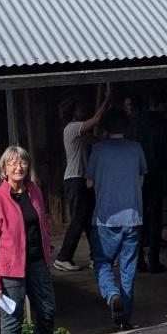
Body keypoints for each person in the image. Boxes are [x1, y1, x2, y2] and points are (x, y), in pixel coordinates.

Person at [0, 145, 57, 334]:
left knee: (47, 311)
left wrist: (48, 253)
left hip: (36, 263)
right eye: (12, 163)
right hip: (10, 270)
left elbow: (42, 224)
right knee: (12, 322)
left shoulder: (34, 192)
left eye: (22, 162)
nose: (18, 167)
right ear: (4, 169)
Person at [88, 103, 147, 330]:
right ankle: (125, 319)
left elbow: (90, 181)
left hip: (106, 216)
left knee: (102, 262)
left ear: (105, 127)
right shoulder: (136, 148)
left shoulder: (99, 150)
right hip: (133, 215)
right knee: (128, 268)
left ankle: (112, 295)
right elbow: (142, 179)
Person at [55, 88, 111, 271]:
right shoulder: (71, 128)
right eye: (79, 109)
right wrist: (107, 99)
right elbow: (95, 120)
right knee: (79, 219)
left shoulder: (79, 132)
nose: (82, 111)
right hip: (75, 179)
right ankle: (63, 257)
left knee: (89, 220)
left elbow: (96, 141)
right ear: (73, 112)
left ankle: (97, 257)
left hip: (82, 179)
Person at [127, 90, 167, 272]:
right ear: (159, 104)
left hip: (137, 175)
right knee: (155, 218)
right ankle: (154, 260)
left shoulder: (134, 123)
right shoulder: (163, 124)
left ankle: (139, 260)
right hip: (156, 174)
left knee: (139, 218)